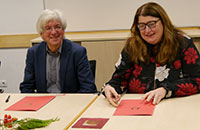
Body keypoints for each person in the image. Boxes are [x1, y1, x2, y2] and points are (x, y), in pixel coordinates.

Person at [104, 2, 200, 107]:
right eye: (142, 26)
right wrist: (110, 87)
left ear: (163, 22)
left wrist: (166, 90)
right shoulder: (132, 45)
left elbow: (197, 80)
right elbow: (119, 79)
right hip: (138, 106)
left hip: (173, 105)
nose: (147, 30)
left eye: (152, 24)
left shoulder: (183, 43)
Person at [20, 9, 97, 93]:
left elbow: (88, 87)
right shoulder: (34, 53)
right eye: (48, 28)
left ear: (63, 30)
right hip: (44, 103)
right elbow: (27, 86)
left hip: (70, 102)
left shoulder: (78, 52)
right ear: (42, 34)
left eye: (57, 27)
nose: (53, 32)